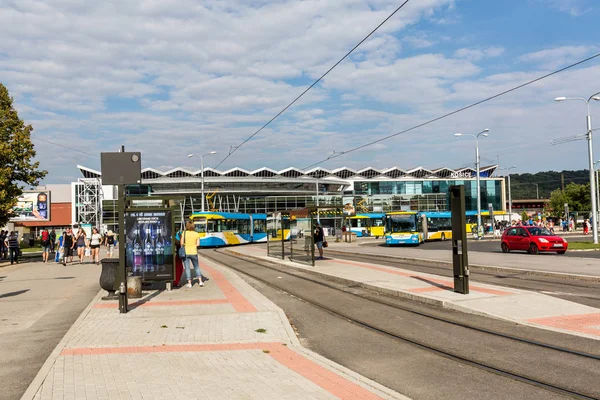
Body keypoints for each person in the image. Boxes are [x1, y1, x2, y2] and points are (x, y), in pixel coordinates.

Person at [180, 221, 204, 288]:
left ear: (187, 226)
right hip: (194, 252)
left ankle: (189, 283)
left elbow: (181, 243)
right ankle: (200, 281)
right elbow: (198, 244)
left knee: (187, 268)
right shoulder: (196, 234)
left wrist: (185, 244)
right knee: (196, 267)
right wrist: (193, 245)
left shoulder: (184, 233)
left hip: (186, 253)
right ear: (194, 226)